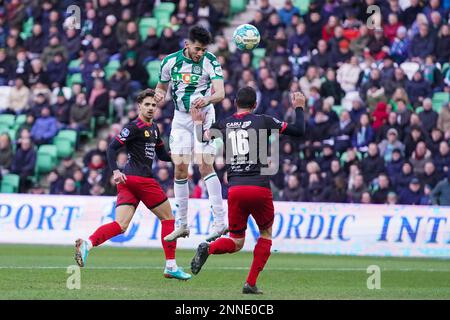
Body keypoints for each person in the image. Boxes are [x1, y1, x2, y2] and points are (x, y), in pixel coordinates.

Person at [190, 87, 306, 294]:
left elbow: (201, 137)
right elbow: (299, 131)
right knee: (266, 234)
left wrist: (198, 120)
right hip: (259, 187)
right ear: (255, 105)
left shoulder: (225, 123)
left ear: (235, 103)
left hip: (235, 189)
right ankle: (250, 283)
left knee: (236, 241)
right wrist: (299, 108)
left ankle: (209, 247)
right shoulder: (264, 121)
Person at [74, 89, 191, 281]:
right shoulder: (134, 127)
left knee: (121, 225)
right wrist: (115, 171)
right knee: (168, 219)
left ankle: (88, 243)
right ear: (139, 106)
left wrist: (178, 157)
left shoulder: (154, 128)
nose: (151, 108)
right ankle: (171, 266)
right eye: (147, 104)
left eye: (154, 105)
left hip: (129, 183)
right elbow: (112, 148)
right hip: (140, 179)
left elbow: (161, 154)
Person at [155, 26, 227, 242]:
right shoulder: (170, 62)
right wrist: (158, 96)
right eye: (197, 49)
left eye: (204, 49)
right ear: (187, 44)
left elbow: (221, 93)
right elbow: (161, 87)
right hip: (180, 118)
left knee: (205, 164)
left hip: (205, 115)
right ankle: (182, 224)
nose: (200, 53)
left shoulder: (210, 61)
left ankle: (220, 222)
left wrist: (206, 100)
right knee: (179, 168)